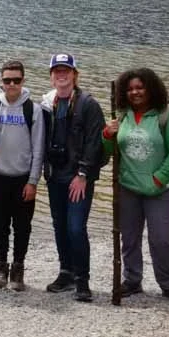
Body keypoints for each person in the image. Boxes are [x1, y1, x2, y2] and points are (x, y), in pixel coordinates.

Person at [102, 67, 169, 302]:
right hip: (128, 187)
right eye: (130, 89)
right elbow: (111, 152)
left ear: (151, 89)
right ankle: (132, 280)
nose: (135, 92)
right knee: (129, 238)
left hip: (160, 189)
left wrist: (159, 178)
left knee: (161, 239)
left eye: (140, 87)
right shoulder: (121, 116)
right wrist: (108, 135)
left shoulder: (166, 117)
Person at [40, 53, 104, 302]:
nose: (61, 74)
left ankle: (83, 280)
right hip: (55, 176)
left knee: (76, 228)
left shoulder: (89, 104)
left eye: (66, 70)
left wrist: (83, 174)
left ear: (75, 75)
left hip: (78, 178)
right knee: (59, 226)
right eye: (57, 71)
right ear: (51, 76)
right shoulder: (47, 103)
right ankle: (65, 271)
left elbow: (94, 144)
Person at [0, 60, 45, 291]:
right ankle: (1, 267)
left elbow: (38, 148)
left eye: (16, 80)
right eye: (7, 80)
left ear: (23, 81)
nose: (11, 84)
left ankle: (18, 269)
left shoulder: (33, 109)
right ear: (0, 81)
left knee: (22, 227)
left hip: (22, 179)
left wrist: (33, 181)